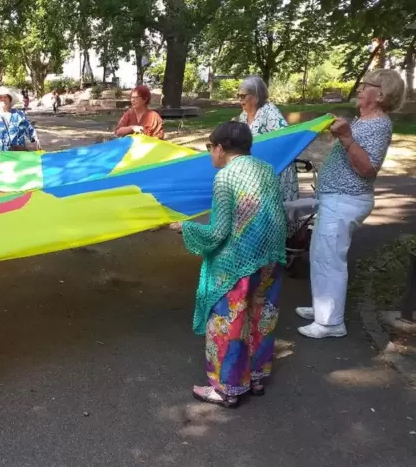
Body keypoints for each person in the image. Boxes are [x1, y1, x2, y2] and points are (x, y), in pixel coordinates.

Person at [170, 121, 286, 407]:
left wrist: (186, 228)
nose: (210, 153)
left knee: (228, 323)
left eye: (210, 148)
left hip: (238, 262)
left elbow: (219, 232)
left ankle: (226, 389)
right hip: (270, 256)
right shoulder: (266, 169)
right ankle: (257, 376)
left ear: (221, 149)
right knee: (262, 317)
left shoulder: (225, 178)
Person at [296, 69, 406, 339]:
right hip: (335, 199)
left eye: (366, 85)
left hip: (346, 200)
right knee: (321, 255)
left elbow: (368, 168)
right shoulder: (365, 120)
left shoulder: (379, 124)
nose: (359, 88)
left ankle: (331, 323)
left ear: (380, 95)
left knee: (330, 259)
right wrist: (345, 134)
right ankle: (322, 308)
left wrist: (346, 137)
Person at [237, 76, 300, 232]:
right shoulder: (243, 116)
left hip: (276, 170)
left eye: (243, 96)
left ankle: (280, 248)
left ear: (255, 96)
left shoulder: (269, 111)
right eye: (238, 96)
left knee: (274, 213)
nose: (240, 100)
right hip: (255, 173)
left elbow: (285, 139)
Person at [0, 86, 40, 154]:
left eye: (5, 97)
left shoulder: (19, 115)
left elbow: (30, 130)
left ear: (10, 99)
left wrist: (36, 142)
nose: (3, 99)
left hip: (18, 154)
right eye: (0, 97)